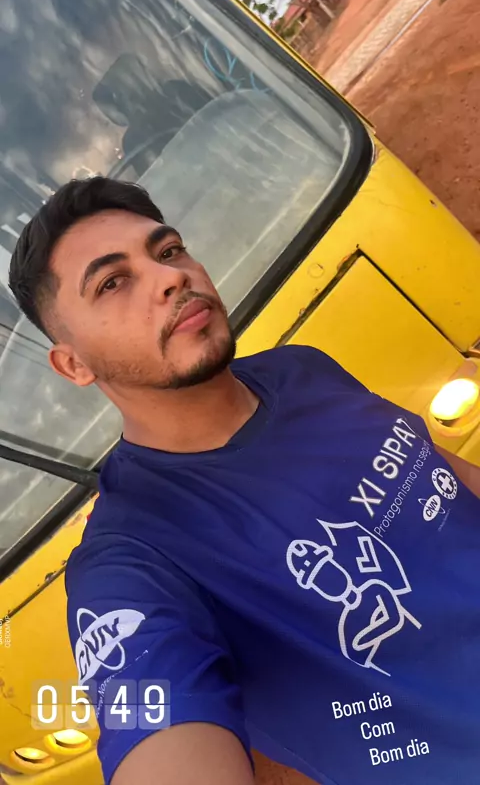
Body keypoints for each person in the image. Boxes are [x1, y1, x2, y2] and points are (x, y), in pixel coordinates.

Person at [9, 176, 480, 785]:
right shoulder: (129, 563)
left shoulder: (301, 368)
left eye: (168, 250)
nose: (169, 277)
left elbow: (445, 473)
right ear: (73, 364)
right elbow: (156, 730)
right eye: (112, 283)